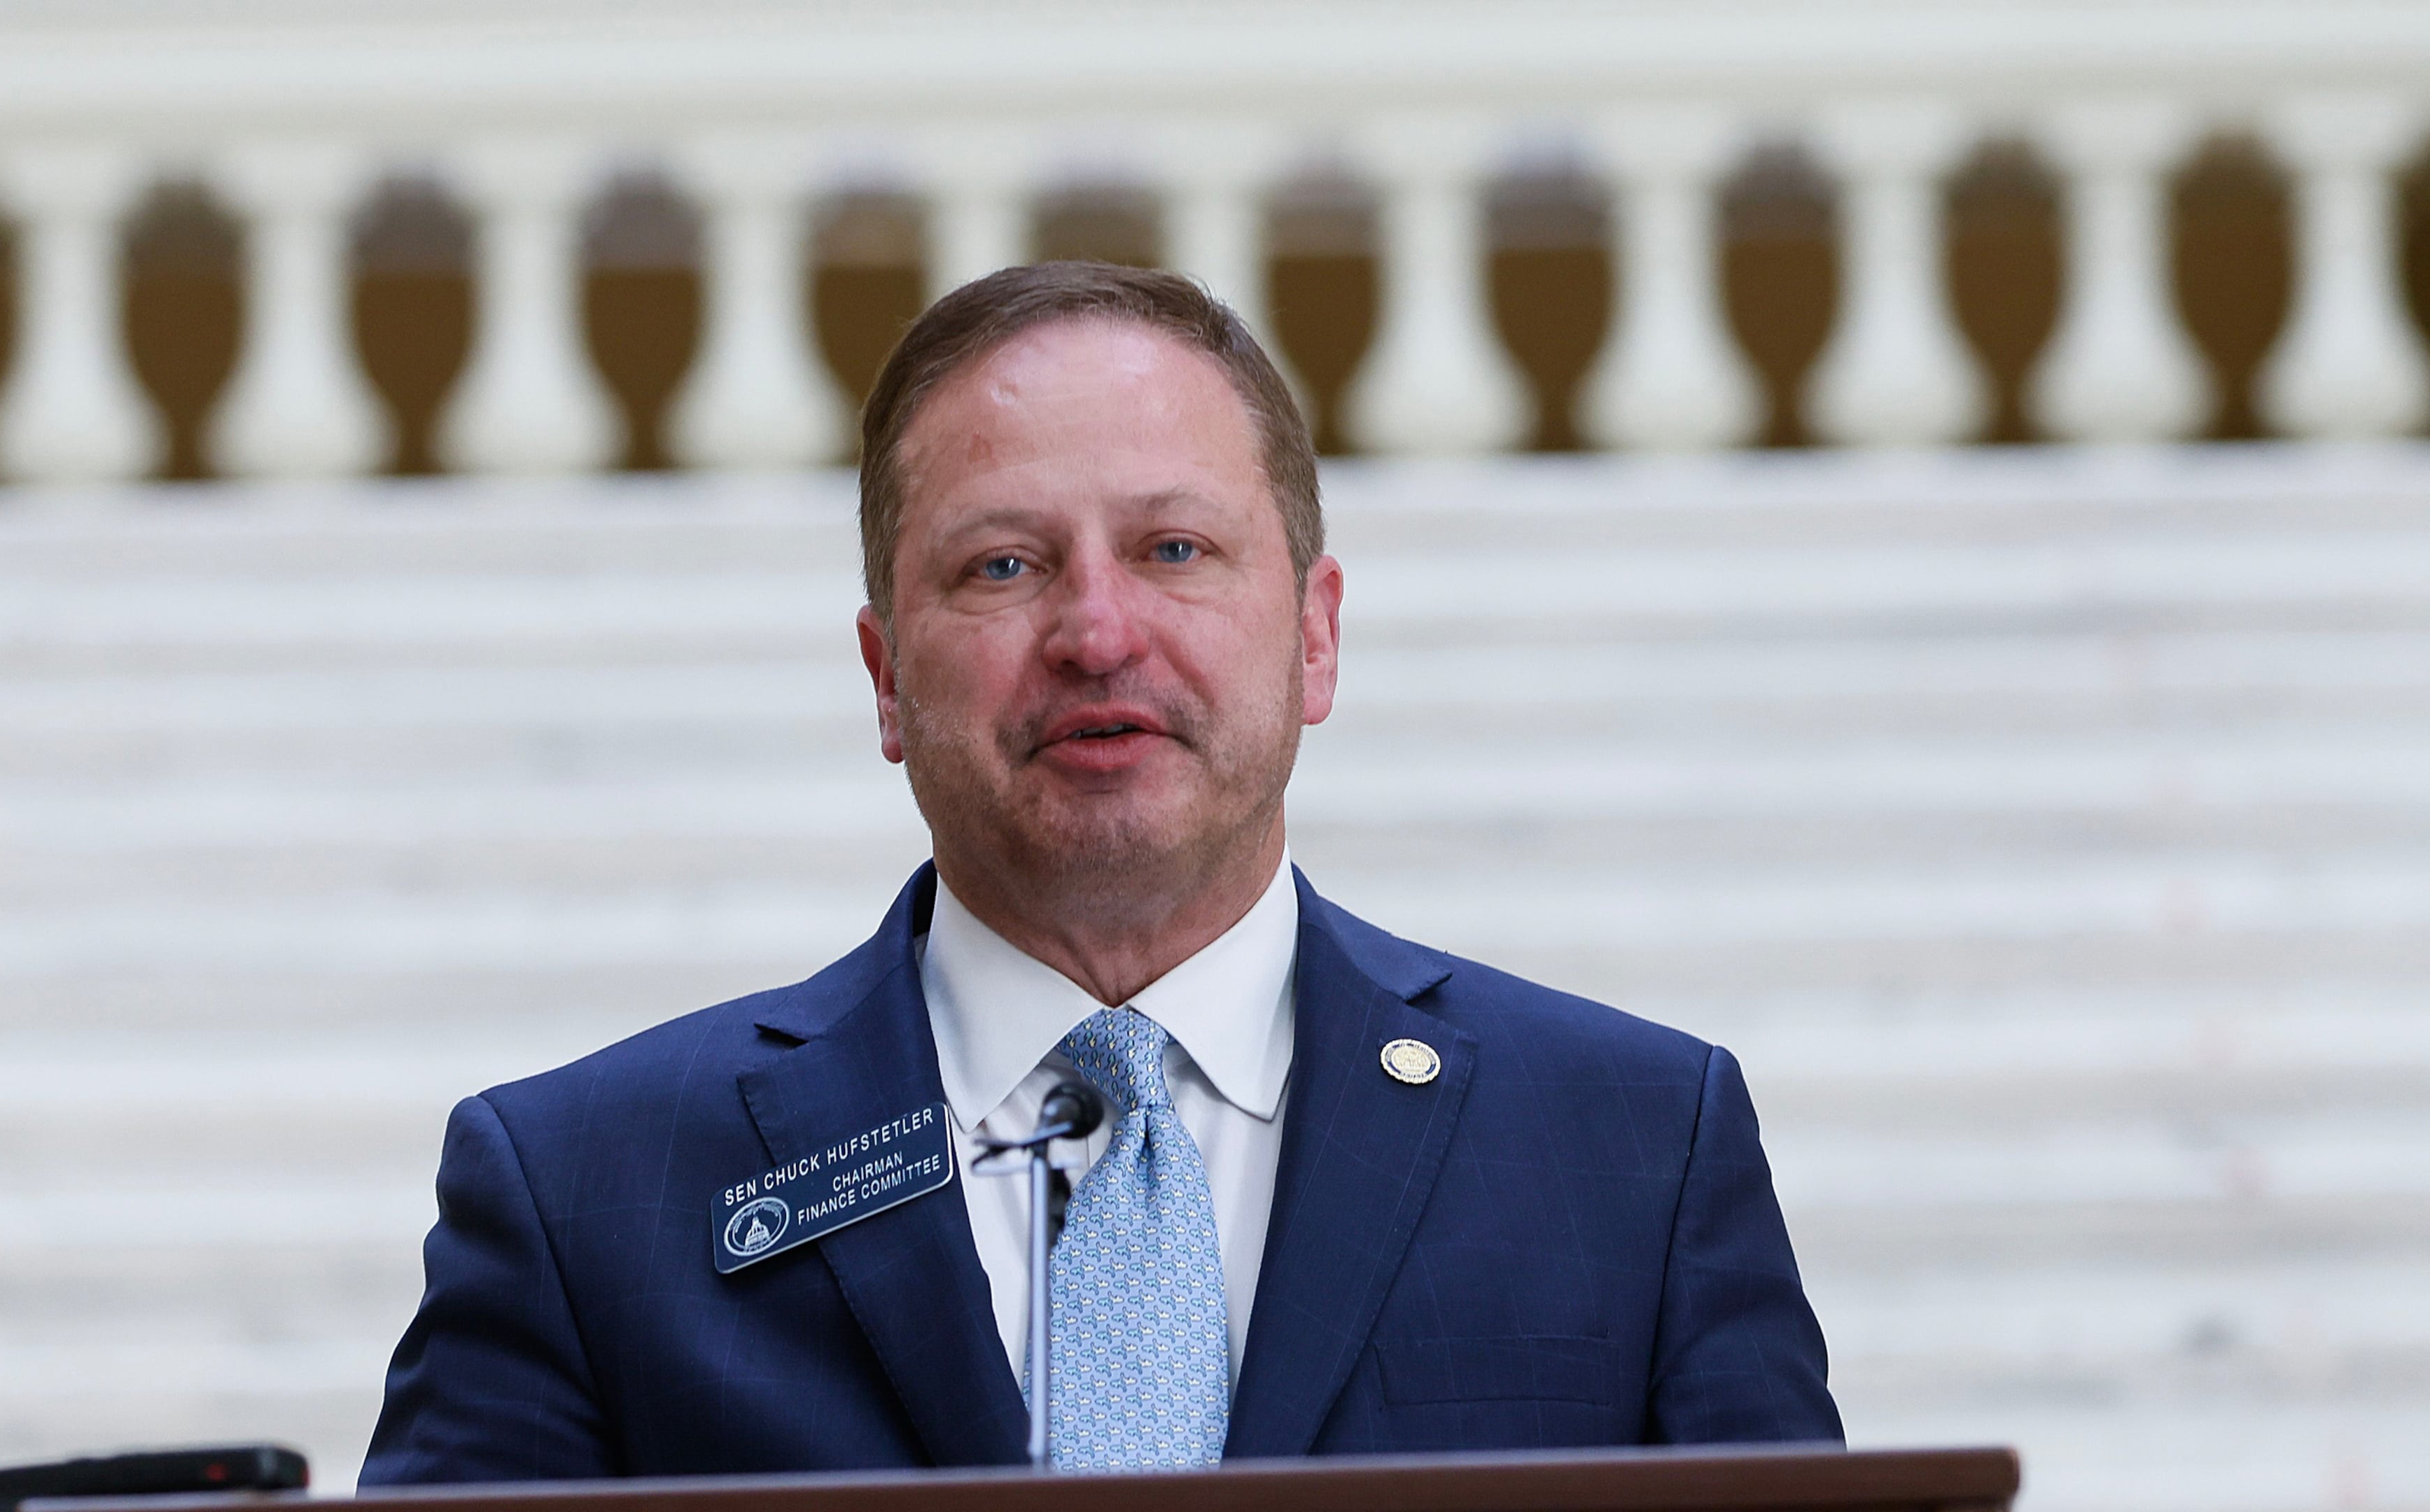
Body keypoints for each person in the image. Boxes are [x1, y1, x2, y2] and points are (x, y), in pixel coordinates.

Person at [361, 262, 1840, 1482]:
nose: (1097, 633)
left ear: (1317, 635)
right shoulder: (581, 1197)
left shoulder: (1636, 1151)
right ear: (884, 677)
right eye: (1003, 566)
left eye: (1177, 548)